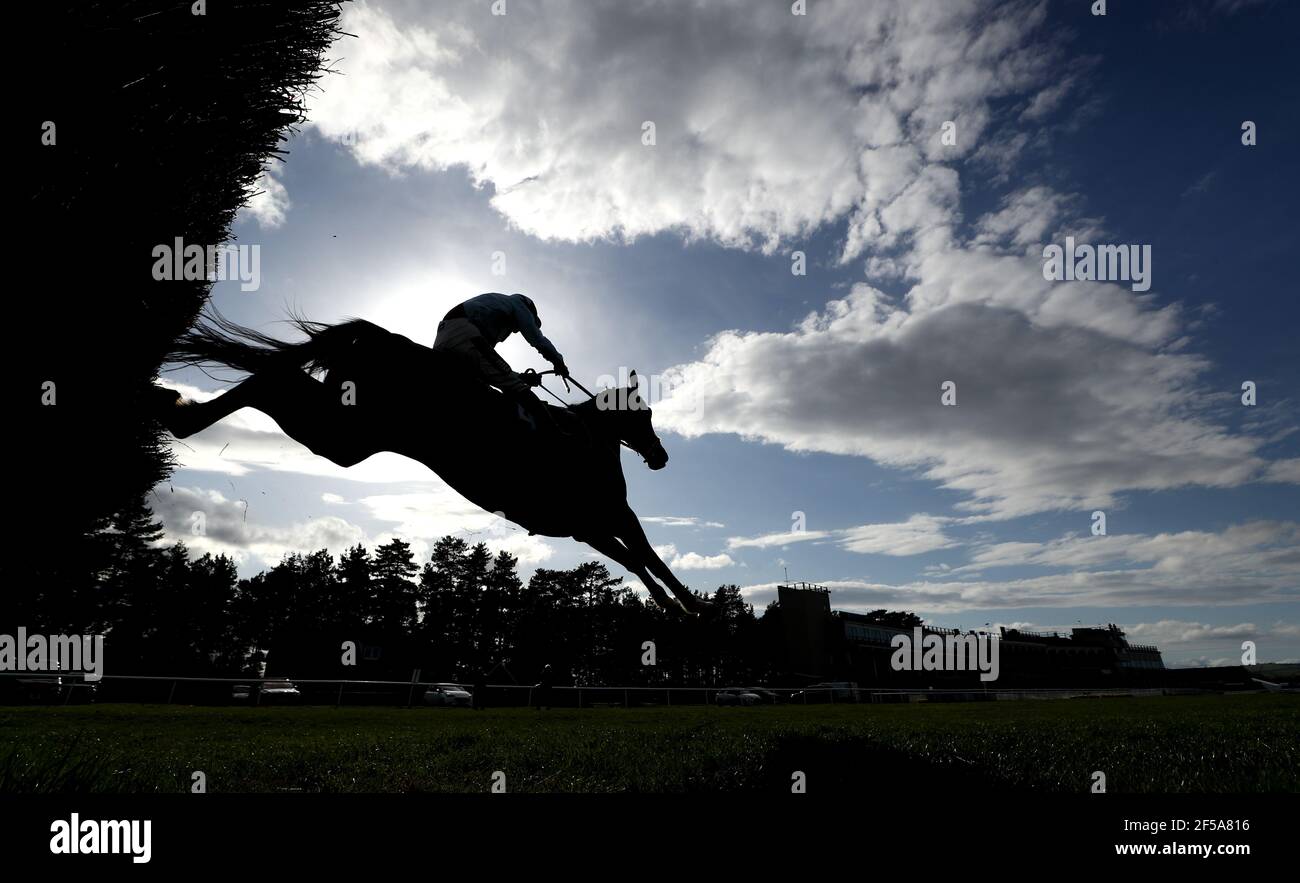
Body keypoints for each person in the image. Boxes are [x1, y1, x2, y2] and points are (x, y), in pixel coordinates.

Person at [433, 292, 569, 432]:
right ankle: (554, 433)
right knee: (516, 387)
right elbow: (537, 339)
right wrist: (558, 362)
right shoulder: (519, 304)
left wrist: (521, 376)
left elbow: (488, 365)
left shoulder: (494, 308)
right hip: (464, 333)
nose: (516, 331)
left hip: (446, 337)